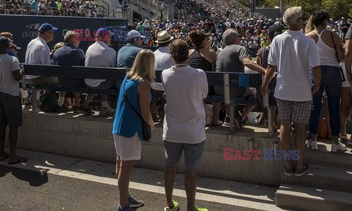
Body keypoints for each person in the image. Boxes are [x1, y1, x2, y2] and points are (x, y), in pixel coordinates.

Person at [262, 7, 321, 176]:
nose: (304, 21)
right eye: (302, 18)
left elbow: (271, 67)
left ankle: (288, 165)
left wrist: (265, 85)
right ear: (297, 21)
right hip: (302, 90)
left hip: (283, 89)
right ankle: (300, 166)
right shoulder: (308, 42)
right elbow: (316, 68)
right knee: (301, 128)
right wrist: (317, 85)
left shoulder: (277, 40)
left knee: (284, 126)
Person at [162, 39, 209, 211]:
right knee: (191, 170)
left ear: (171, 54)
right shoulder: (199, 74)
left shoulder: (165, 74)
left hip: (172, 130)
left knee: (170, 167)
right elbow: (204, 95)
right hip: (194, 131)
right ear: (187, 54)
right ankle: (191, 207)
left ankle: (169, 204)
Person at [112, 49, 155, 211]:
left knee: (121, 162)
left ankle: (125, 197)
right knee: (126, 166)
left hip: (119, 125)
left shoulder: (128, 77)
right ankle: (123, 204)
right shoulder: (143, 83)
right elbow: (145, 111)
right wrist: (151, 123)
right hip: (130, 128)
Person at [305, 10, 347, 152]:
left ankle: (313, 140)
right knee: (334, 107)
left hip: (314, 71)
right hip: (332, 72)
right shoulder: (333, 35)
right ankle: (335, 142)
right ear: (325, 21)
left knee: (314, 108)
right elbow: (341, 57)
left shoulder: (307, 37)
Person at [215, 29, 266, 127]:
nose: (240, 38)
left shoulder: (220, 53)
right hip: (234, 90)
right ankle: (241, 117)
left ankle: (229, 116)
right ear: (234, 39)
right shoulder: (240, 48)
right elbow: (246, 62)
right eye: (238, 36)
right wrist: (265, 70)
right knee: (257, 92)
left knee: (228, 85)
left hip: (219, 90)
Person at [0, 37, 27, 164]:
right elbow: (17, 77)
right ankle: (12, 155)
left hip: (0, 94)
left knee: (2, 124)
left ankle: (1, 152)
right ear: (7, 46)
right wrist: (22, 71)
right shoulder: (13, 59)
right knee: (13, 126)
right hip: (11, 95)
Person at [52, 30, 92, 113]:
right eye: (78, 39)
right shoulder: (79, 52)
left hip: (61, 82)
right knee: (78, 78)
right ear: (73, 39)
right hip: (76, 83)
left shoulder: (57, 52)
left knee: (66, 77)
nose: (79, 41)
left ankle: (61, 103)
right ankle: (77, 103)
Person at [24, 23, 59, 107]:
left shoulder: (32, 42)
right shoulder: (44, 47)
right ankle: (53, 103)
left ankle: (42, 100)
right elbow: (47, 69)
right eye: (52, 32)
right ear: (46, 33)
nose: (53, 34)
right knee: (60, 80)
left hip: (28, 78)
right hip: (37, 78)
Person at [85, 28, 116, 116]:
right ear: (105, 37)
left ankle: (85, 104)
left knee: (99, 77)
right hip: (102, 84)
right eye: (109, 36)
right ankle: (105, 107)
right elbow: (114, 69)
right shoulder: (111, 51)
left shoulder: (89, 48)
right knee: (109, 78)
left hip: (88, 82)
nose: (110, 38)